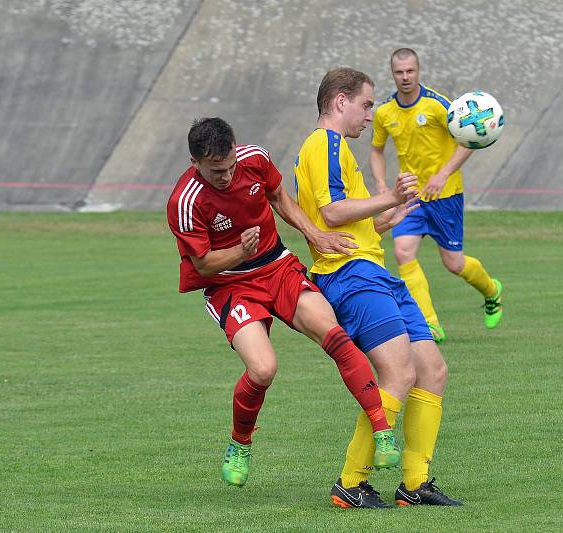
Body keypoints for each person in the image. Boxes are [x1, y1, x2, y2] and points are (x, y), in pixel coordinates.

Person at [166, 117, 401, 488]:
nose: (226, 176)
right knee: (263, 369)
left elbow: (278, 196)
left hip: (277, 267)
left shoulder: (254, 159)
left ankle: (381, 428)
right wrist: (239, 252)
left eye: (229, 167)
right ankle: (240, 444)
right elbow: (203, 264)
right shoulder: (185, 201)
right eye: (216, 171)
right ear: (196, 163)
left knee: (335, 335)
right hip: (230, 285)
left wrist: (315, 233)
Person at [294, 68, 462, 508]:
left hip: (373, 270)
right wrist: (388, 198)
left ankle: (415, 483)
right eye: (366, 104)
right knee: (398, 373)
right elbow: (331, 213)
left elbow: (357, 221)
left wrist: (397, 207)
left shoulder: (338, 151)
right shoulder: (324, 144)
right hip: (350, 275)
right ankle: (351, 483)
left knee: (432, 370)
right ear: (340, 101)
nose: (370, 115)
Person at [370, 47, 504, 343]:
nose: (405, 77)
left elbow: (467, 141)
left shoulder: (438, 105)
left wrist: (442, 174)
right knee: (403, 252)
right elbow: (376, 150)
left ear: (419, 71)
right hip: (412, 197)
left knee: (453, 263)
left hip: (446, 196)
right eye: (399, 72)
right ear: (392, 74)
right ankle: (430, 325)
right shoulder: (384, 113)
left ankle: (492, 291)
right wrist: (381, 184)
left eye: (410, 71)